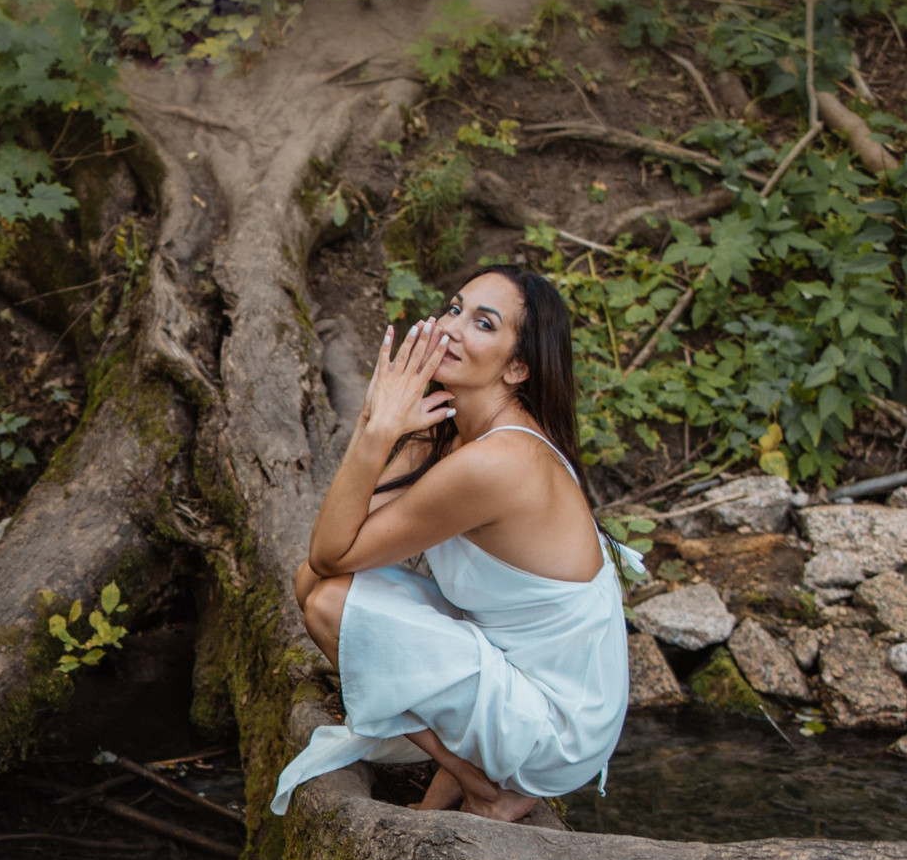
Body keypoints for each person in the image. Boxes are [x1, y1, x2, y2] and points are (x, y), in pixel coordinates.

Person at [270, 265, 637, 824]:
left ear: (518, 367)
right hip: (514, 669)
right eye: (454, 308)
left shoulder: (500, 462)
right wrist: (380, 421)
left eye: (483, 324)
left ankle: (487, 788)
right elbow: (340, 544)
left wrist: (376, 431)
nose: (453, 327)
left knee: (328, 602)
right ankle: (453, 782)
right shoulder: (448, 429)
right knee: (314, 585)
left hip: (557, 726)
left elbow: (332, 554)